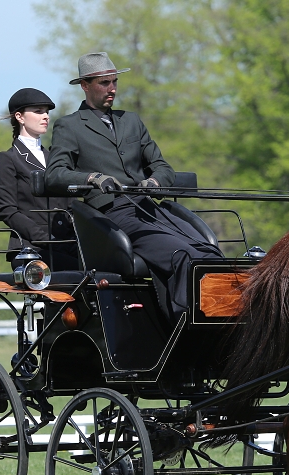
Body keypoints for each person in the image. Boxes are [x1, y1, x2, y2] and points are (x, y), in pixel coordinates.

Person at [45, 52, 223, 319]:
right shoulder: (70, 127)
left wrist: (153, 182)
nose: (112, 89)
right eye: (104, 83)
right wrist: (92, 178)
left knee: (209, 253)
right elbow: (54, 175)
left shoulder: (132, 121)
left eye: (114, 82)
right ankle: (186, 325)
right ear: (85, 85)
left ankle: (223, 322)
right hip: (112, 216)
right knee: (182, 255)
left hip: (150, 209)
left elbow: (163, 168)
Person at [0, 88, 78, 270]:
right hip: (30, 249)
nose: (45, 116)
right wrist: (45, 238)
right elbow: (8, 211)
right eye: (38, 111)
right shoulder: (8, 159)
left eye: (46, 112)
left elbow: (71, 206)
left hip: (67, 245)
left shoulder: (56, 159)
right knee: (82, 270)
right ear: (19, 117)